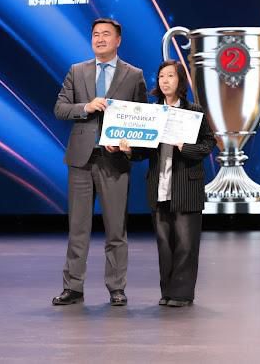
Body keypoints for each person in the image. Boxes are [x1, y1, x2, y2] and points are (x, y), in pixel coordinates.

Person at [52, 18, 147, 306]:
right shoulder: (77, 71)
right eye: (95, 34)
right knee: (78, 228)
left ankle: (117, 288)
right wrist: (86, 106)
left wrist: (129, 145)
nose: (100, 39)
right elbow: (60, 108)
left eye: (106, 34)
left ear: (118, 40)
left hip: (114, 161)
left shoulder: (134, 75)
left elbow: (142, 117)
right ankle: (73, 287)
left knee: (116, 229)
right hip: (81, 159)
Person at [120, 60, 215, 307]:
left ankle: (182, 294)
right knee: (164, 243)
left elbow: (208, 143)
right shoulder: (152, 112)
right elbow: (143, 150)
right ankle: (168, 291)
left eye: (170, 76)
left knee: (186, 242)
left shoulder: (194, 111)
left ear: (180, 80)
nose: (165, 80)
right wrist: (129, 150)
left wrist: (185, 147)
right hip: (159, 184)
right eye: (161, 76)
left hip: (186, 186)